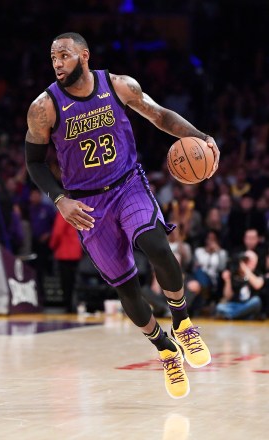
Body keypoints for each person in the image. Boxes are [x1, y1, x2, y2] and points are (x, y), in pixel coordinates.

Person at [25, 32, 219, 399]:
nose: (58, 63)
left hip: (127, 183)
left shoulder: (117, 86)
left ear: (84, 55)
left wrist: (201, 136)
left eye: (64, 55)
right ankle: (165, 350)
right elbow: (33, 162)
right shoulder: (44, 107)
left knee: (157, 246)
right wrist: (60, 200)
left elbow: (160, 116)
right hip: (87, 204)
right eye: (53, 58)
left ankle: (183, 323)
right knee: (126, 288)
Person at [216, 250, 264, 320]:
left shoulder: (257, 273)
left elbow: (257, 285)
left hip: (248, 305)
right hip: (235, 305)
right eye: (245, 260)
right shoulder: (233, 273)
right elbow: (228, 296)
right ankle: (239, 315)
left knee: (256, 301)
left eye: (250, 261)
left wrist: (245, 269)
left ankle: (232, 315)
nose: (247, 263)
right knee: (219, 307)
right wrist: (227, 281)